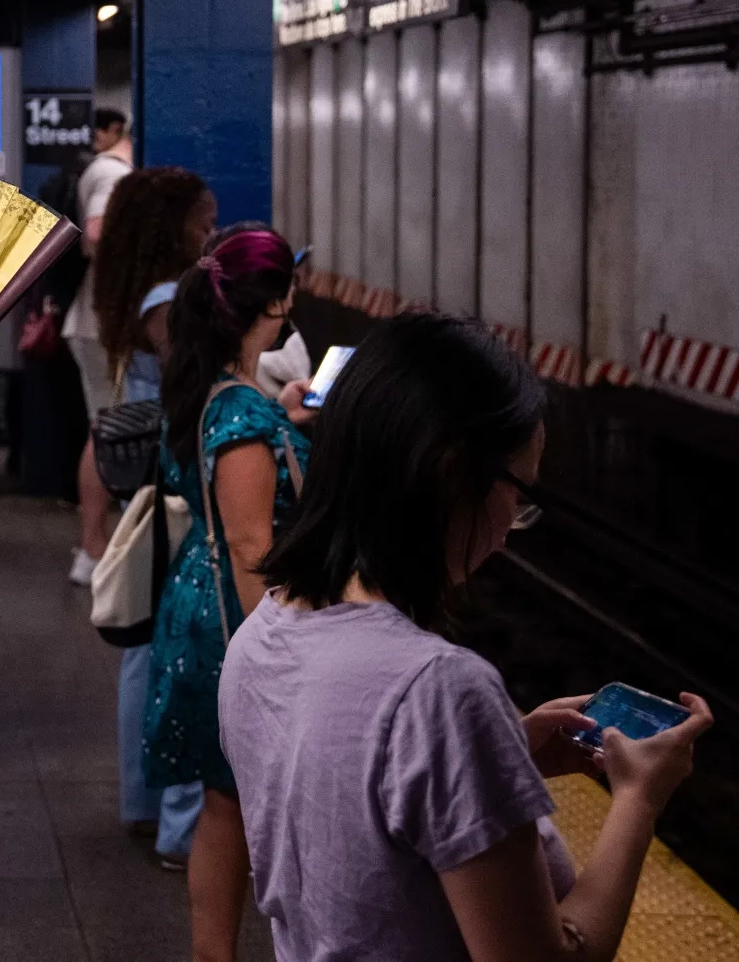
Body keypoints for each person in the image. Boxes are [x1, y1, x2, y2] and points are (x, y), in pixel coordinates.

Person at [224, 313, 716, 962]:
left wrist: (507, 751)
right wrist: (637, 801)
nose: (511, 528)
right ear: (455, 474)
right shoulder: (440, 692)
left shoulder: (261, 633)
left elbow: (353, 799)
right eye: (517, 494)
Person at [144, 223, 309, 962]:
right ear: (276, 302)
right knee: (240, 799)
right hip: (231, 616)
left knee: (227, 798)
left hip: (201, 597)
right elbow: (250, 544)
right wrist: (269, 656)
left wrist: (288, 422)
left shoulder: (216, 389)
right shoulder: (242, 413)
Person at [87, 166, 216, 870]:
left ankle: (144, 801)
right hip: (179, 488)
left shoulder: (134, 289)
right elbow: (196, 381)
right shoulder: (171, 298)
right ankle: (181, 822)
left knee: (147, 643)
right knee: (182, 649)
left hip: (151, 486)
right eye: (204, 223)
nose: (213, 235)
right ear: (175, 228)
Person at [63, 107, 135, 586]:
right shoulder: (113, 172)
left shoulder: (102, 170)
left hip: (95, 321)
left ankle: (96, 548)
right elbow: (97, 231)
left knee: (106, 428)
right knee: (108, 431)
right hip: (105, 323)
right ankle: (93, 550)